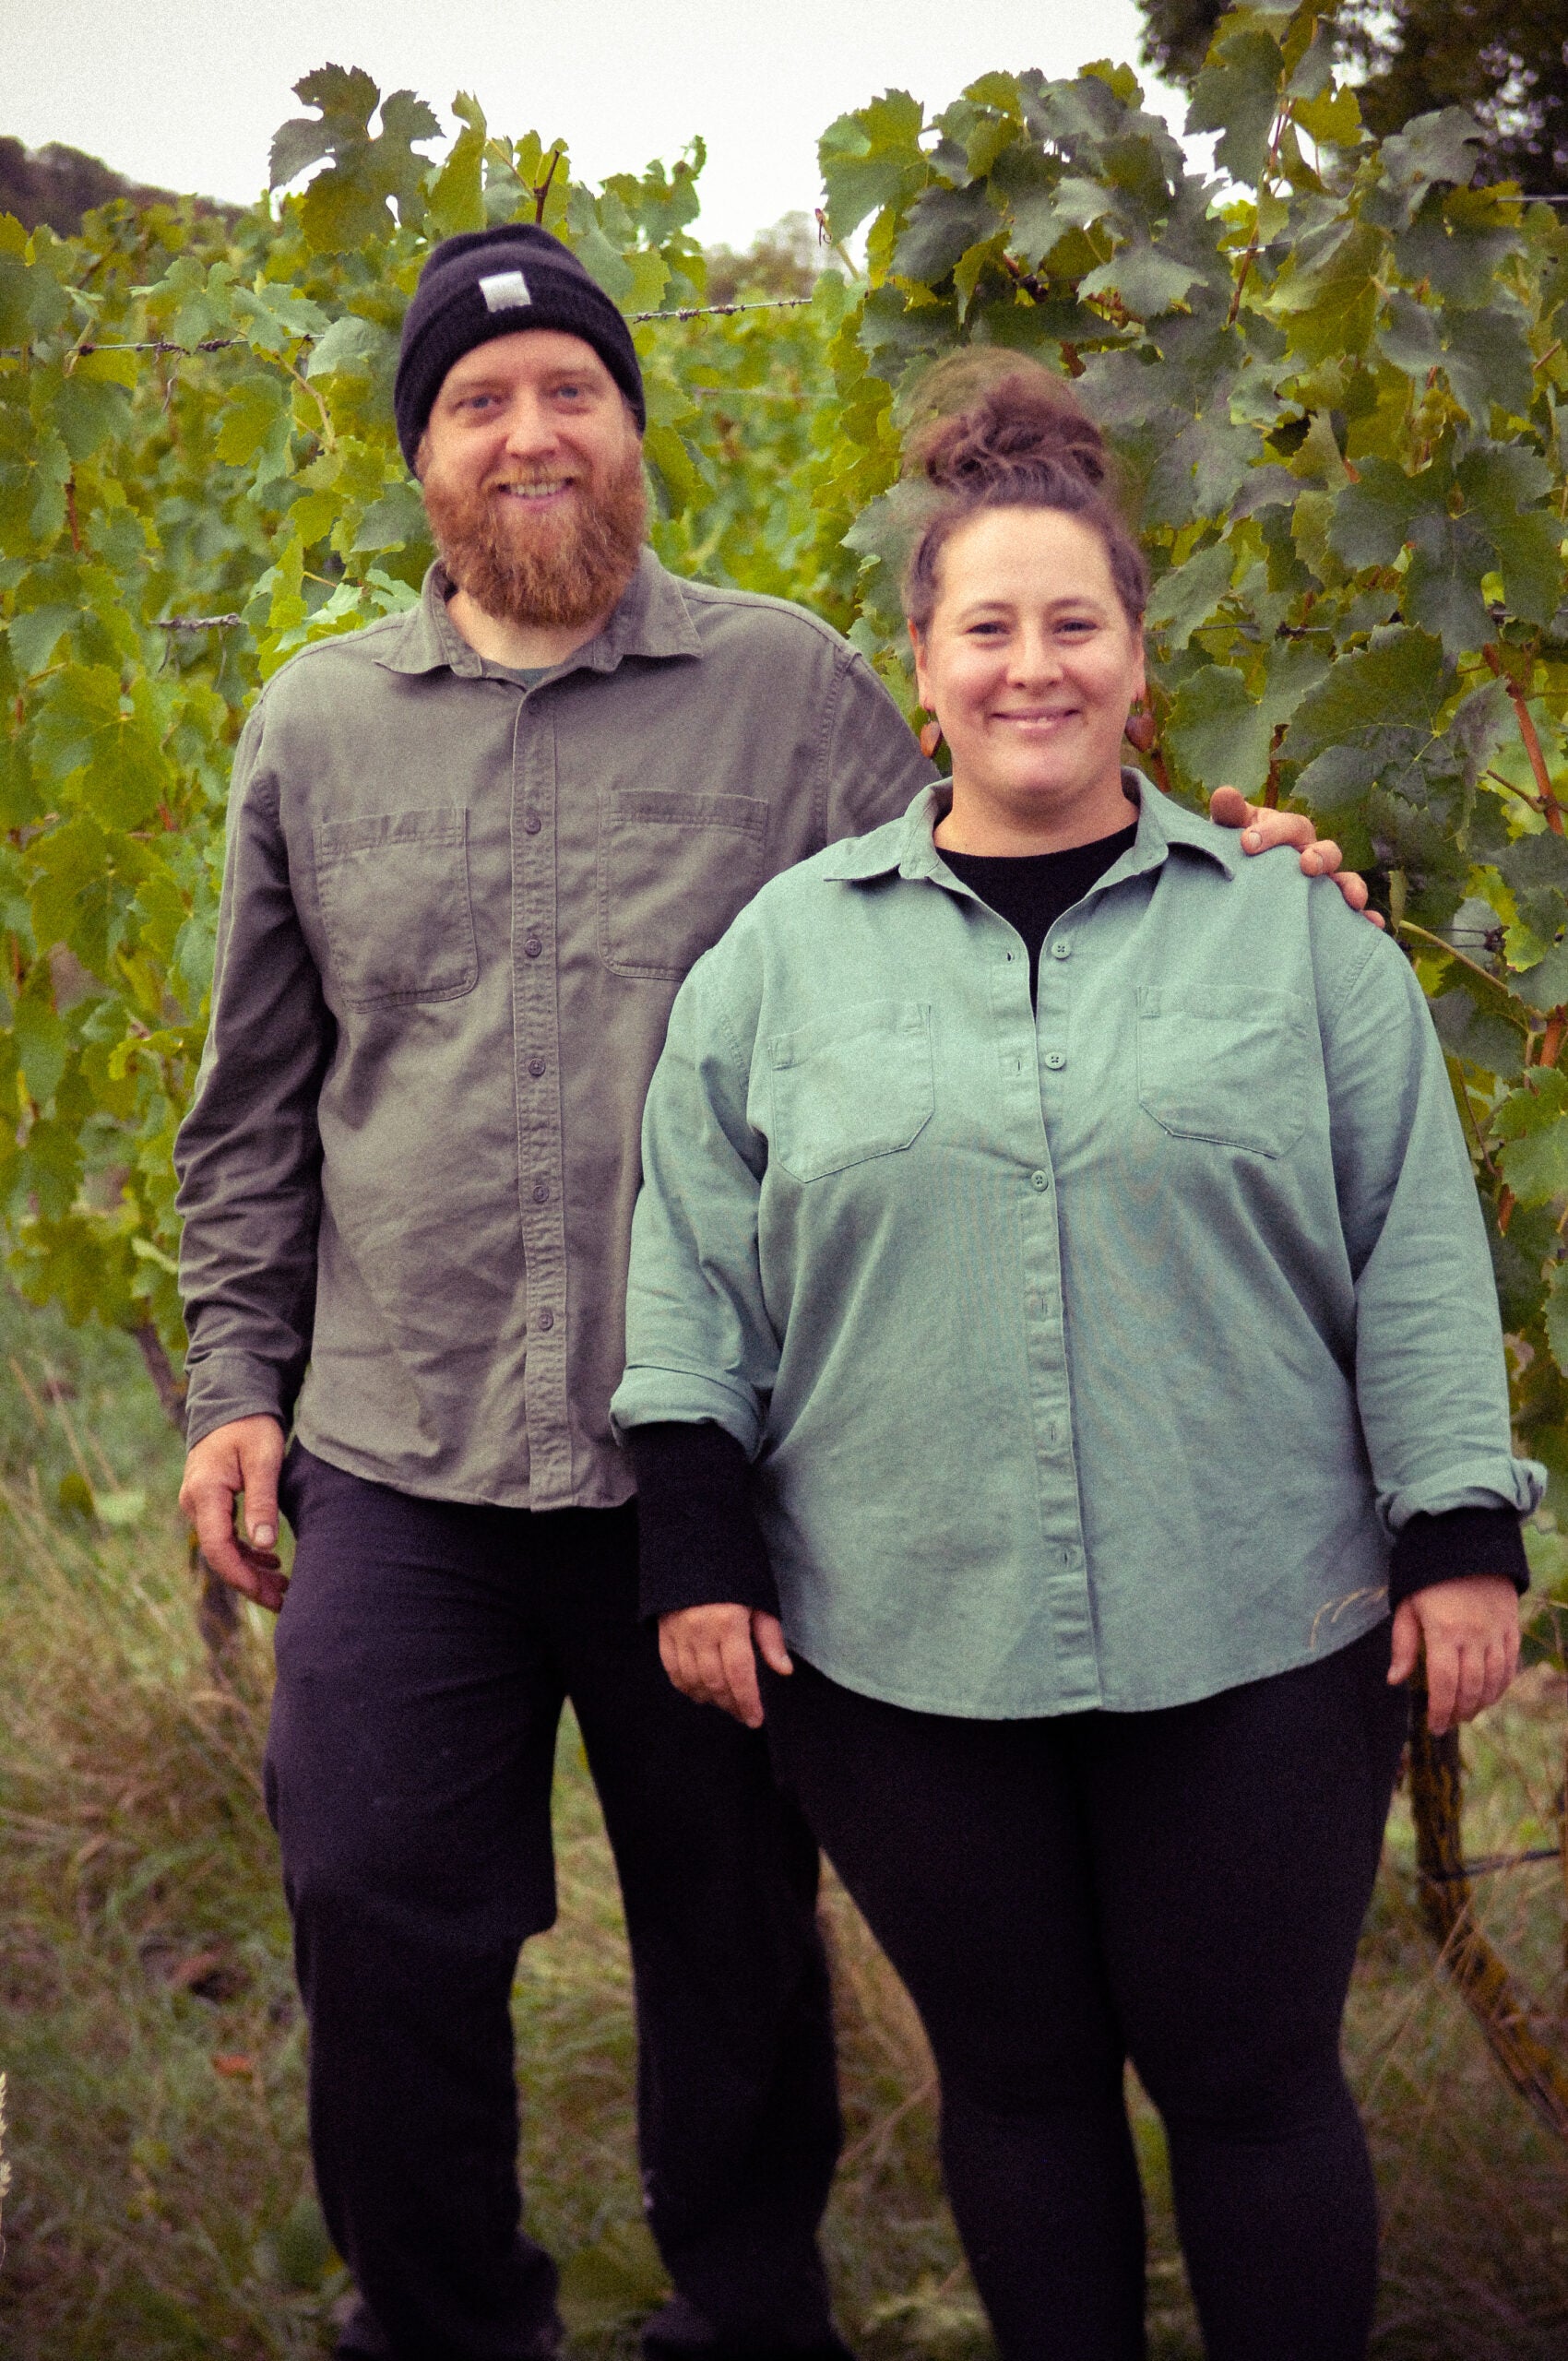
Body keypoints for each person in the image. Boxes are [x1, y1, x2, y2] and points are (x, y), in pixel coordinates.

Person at [173, 225, 1364, 2361]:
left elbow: (1013, 865)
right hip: (404, 1447)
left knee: (733, 1929)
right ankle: (443, 2321)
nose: (529, 433)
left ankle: (743, 2314)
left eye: (570, 395)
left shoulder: (797, 686)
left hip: (712, 1459)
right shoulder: (316, 724)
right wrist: (229, 1381)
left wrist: (1246, 867)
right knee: (369, 1894)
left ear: (634, 431)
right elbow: (255, 1103)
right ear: (421, 461)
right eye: (479, 403)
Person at [612, 354, 1541, 2361]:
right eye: (985, 628)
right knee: (1019, 2091)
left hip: (1262, 1628)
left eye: (1074, 625)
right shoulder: (781, 958)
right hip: (901, 1634)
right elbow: (689, 1262)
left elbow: (1412, 1240)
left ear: (1136, 660)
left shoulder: (1297, 939)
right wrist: (693, 1538)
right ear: (921, 664)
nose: (1030, 665)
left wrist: (1459, 1525)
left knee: (1254, 2083)